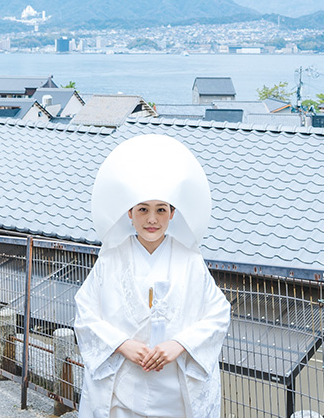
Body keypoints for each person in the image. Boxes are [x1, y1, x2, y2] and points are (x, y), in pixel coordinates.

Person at [74, 134, 231, 418]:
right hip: (123, 385)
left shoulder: (190, 259)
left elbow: (218, 314)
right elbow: (85, 313)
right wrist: (123, 345)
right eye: (143, 209)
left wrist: (179, 344)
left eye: (161, 209)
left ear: (172, 214)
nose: (152, 219)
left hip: (175, 390)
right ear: (130, 214)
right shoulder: (111, 257)